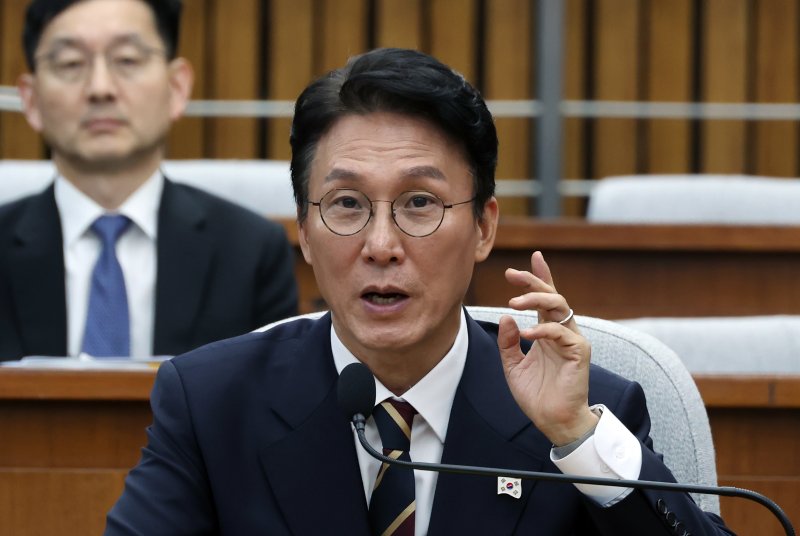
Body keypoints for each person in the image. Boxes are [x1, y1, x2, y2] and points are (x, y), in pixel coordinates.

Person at [105, 48, 732, 535]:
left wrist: (577, 438)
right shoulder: (212, 403)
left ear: (483, 228)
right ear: (304, 231)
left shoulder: (584, 408)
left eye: (419, 203)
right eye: (347, 204)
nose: (381, 245)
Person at [0, 0, 298, 361]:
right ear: (31, 99)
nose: (100, 88)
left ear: (176, 87)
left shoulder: (250, 251)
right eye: (71, 64)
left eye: (127, 60)